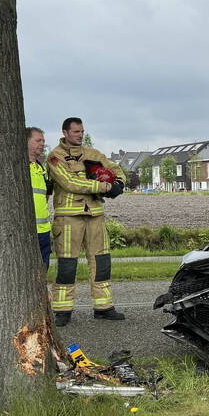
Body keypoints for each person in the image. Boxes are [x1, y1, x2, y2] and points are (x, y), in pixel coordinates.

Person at [47, 117, 126, 326]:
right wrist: (103, 187)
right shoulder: (55, 156)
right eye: (75, 132)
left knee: (101, 263)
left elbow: (116, 170)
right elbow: (70, 183)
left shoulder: (94, 154)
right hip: (68, 218)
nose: (80, 135)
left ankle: (104, 307)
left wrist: (118, 183)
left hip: (95, 216)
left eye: (82, 131)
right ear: (65, 132)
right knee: (67, 265)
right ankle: (62, 311)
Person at [27, 127, 53, 269]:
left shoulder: (41, 168)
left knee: (44, 266)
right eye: (38, 140)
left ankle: (42, 291)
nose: (42, 143)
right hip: (27, 230)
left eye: (43, 140)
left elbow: (45, 197)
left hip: (43, 229)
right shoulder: (20, 168)